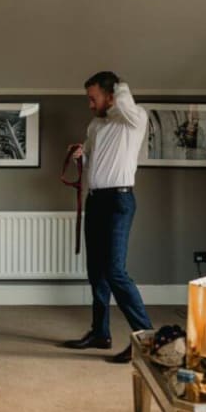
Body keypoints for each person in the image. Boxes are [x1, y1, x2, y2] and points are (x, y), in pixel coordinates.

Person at [62, 71, 153, 363]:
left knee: (115, 271)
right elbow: (94, 160)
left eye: (93, 98)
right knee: (96, 272)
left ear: (111, 95)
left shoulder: (134, 118)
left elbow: (125, 104)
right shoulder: (95, 125)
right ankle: (100, 333)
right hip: (96, 201)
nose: (90, 104)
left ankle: (146, 339)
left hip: (119, 201)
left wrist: (119, 87)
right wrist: (81, 155)